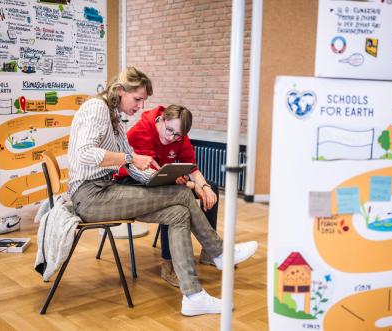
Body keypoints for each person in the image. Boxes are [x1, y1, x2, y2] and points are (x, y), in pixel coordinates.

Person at [68, 66, 258, 316]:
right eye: (137, 99)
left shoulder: (116, 119)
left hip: (104, 191)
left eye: (143, 100)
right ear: (121, 90)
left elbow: (133, 166)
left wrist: (153, 176)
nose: (140, 105)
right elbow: (85, 154)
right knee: (181, 195)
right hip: (90, 196)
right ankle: (219, 252)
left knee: (178, 212)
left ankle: (193, 296)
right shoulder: (96, 108)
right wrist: (131, 158)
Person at [118, 104, 219, 287]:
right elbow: (150, 173)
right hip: (132, 181)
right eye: (169, 130)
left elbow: (192, 166)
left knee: (211, 188)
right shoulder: (141, 131)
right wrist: (190, 184)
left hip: (162, 179)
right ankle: (169, 263)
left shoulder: (179, 133)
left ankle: (210, 252)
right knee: (173, 201)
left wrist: (203, 186)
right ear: (162, 120)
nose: (171, 137)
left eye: (178, 135)